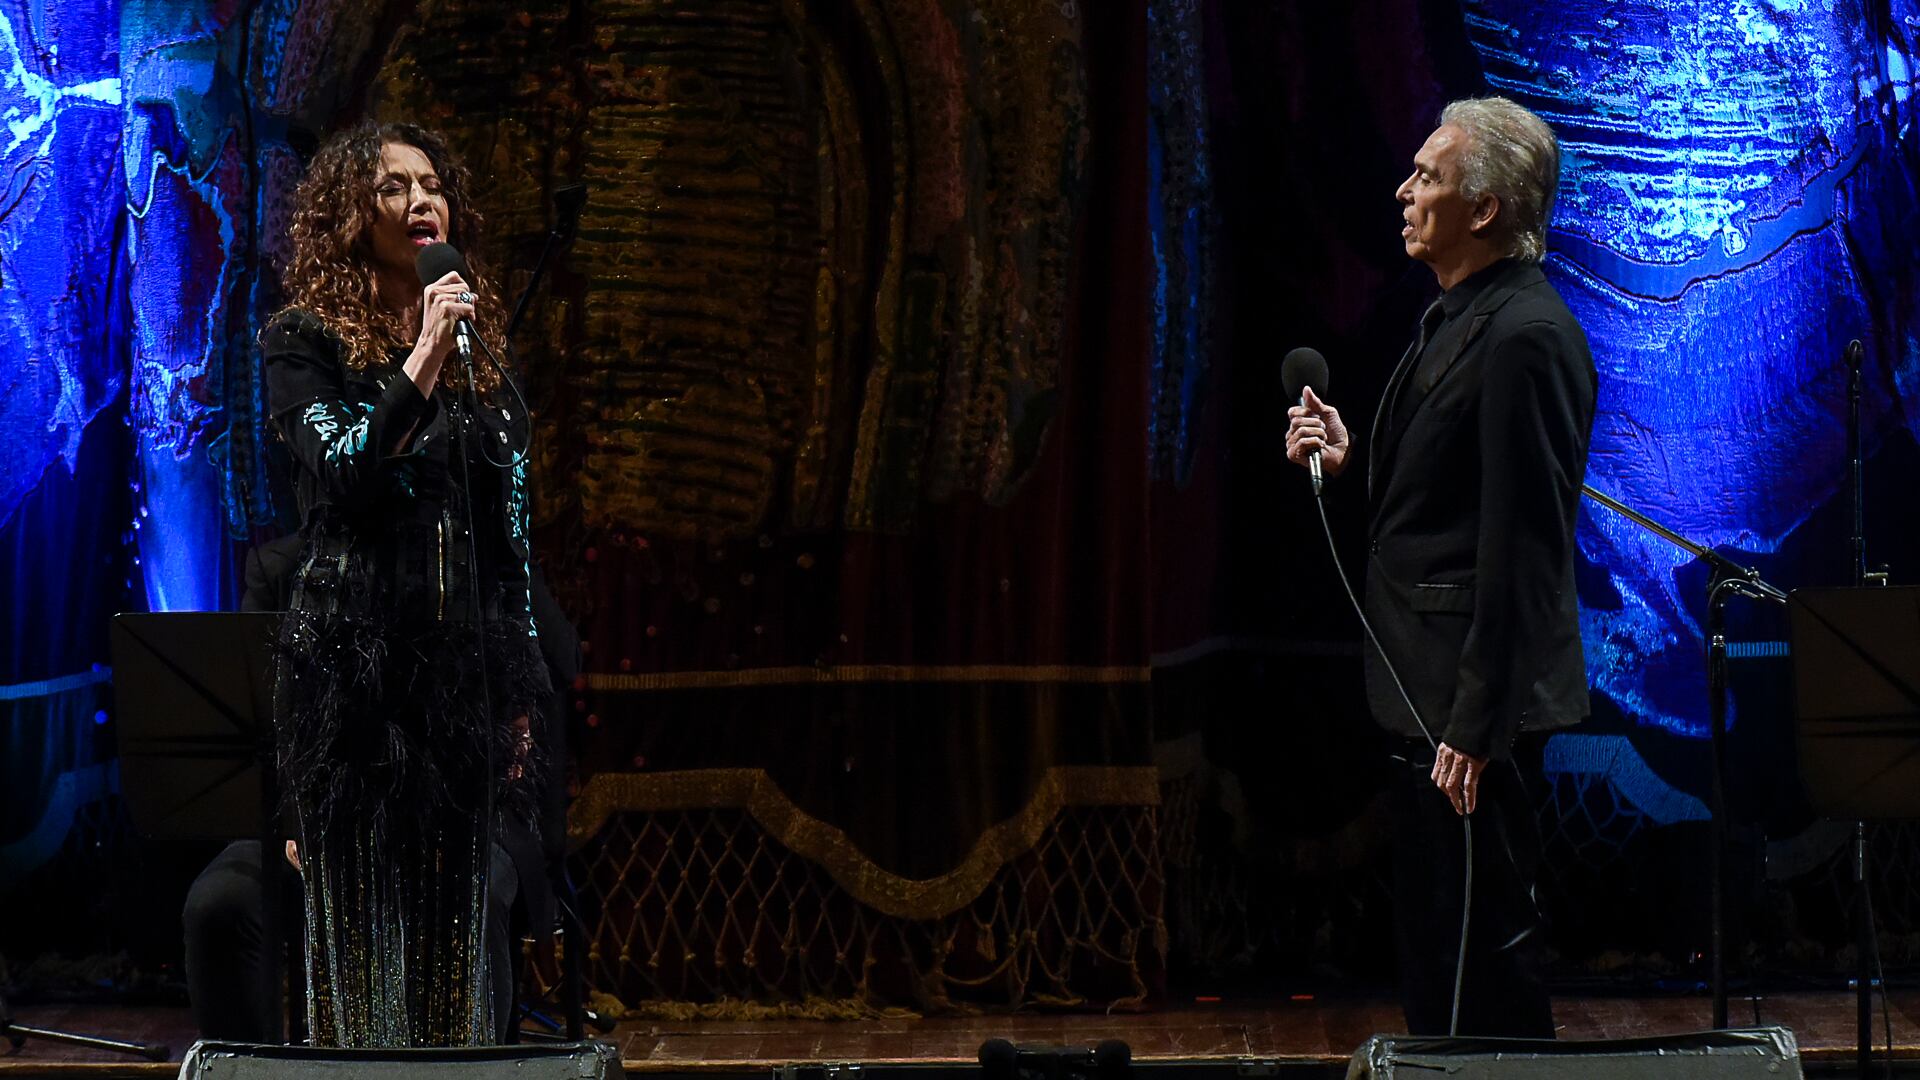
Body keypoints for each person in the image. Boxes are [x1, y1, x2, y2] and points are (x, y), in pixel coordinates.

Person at [1284, 97, 1596, 1037]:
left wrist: (1476, 724)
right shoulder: (1458, 317)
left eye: (1429, 176)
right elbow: (1441, 509)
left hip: (1467, 713)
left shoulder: (1525, 337)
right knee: (1438, 955)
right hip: (1425, 694)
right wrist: (1347, 467)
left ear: (1487, 209)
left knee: (1482, 963)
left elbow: (1523, 545)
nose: (1404, 189)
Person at [262, 121, 548, 1047]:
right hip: (349, 681)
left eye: (432, 185)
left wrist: (518, 693)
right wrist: (421, 357)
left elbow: (511, 546)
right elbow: (344, 468)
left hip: (456, 681)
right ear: (354, 217)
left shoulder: (479, 364)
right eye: (394, 187)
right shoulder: (303, 343)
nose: (422, 200)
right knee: (360, 946)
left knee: (456, 945)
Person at [181, 540, 580, 1045]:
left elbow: (563, 660)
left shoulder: (476, 546)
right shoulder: (282, 565)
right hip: (318, 817)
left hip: (462, 813)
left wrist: (506, 571)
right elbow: (265, 716)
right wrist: (298, 817)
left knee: (467, 896)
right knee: (217, 904)